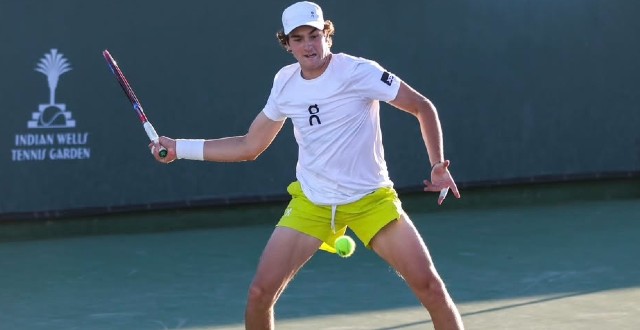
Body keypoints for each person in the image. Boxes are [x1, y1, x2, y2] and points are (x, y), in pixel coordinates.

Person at [150, 1, 464, 329]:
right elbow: (249, 145)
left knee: (430, 287)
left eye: (313, 35)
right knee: (260, 293)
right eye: (297, 39)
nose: (308, 45)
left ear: (327, 34)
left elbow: (421, 107)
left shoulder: (359, 71)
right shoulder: (285, 83)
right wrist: (179, 148)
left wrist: (437, 164)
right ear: (287, 45)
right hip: (312, 203)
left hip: (370, 200)